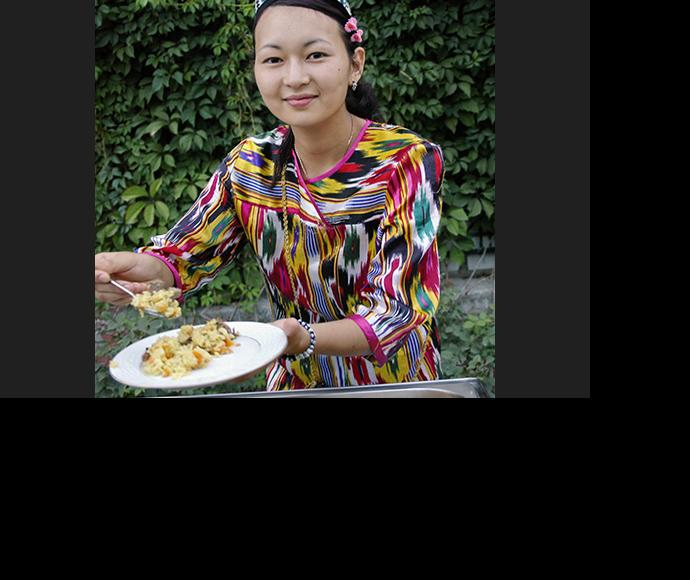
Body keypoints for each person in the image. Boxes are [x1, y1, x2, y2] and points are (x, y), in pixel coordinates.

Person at [94, 0, 445, 390]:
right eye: (274, 60)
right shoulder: (249, 166)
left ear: (355, 64)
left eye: (315, 55)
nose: (294, 77)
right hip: (295, 385)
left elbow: (398, 310)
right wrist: (145, 274)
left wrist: (302, 337)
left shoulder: (404, 160)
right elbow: (185, 258)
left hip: (396, 386)